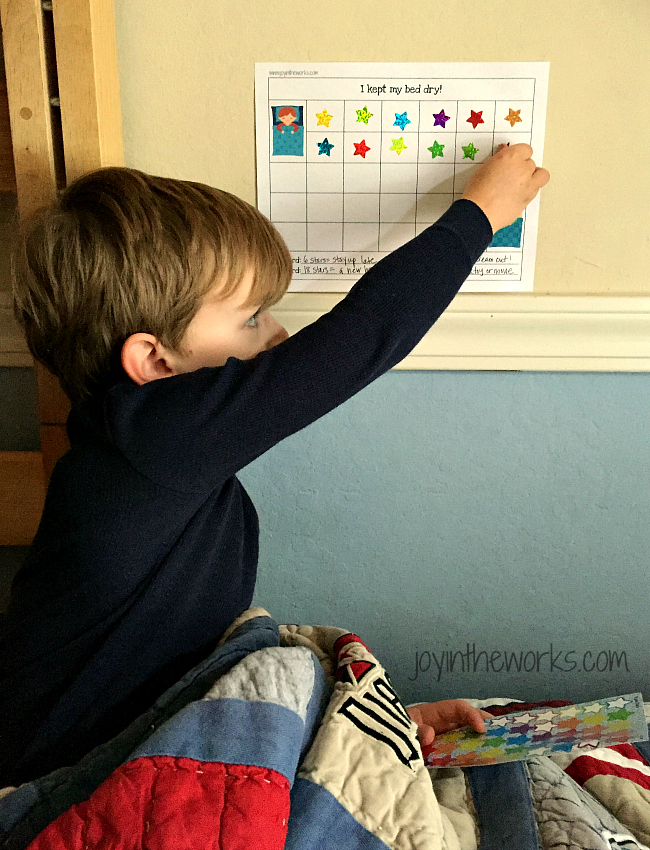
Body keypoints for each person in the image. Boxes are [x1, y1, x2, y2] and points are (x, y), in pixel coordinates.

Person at [0, 144, 549, 787]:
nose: (279, 336)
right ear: (155, 362)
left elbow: (190, 682)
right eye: (252, 317)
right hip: (47, 772)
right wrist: (480, 213)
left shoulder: (149, 459)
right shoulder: (151, 439)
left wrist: (381, 726)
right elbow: (353, 343)